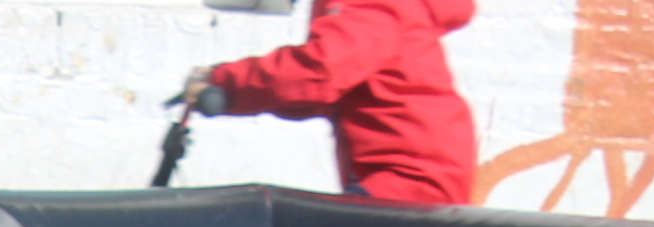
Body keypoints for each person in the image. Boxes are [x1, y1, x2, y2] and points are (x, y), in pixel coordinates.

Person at [178, 0, 479, 209]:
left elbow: (320, 72)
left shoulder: (371, 4)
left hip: (411, 181)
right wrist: (228, 92)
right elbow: (319, 90)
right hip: (412, 175)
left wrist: (225, 82)